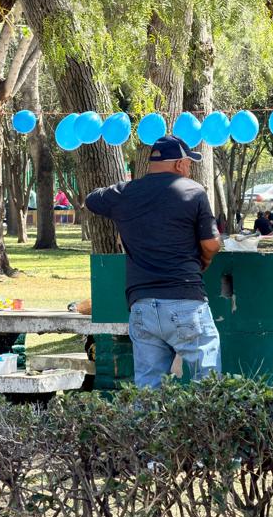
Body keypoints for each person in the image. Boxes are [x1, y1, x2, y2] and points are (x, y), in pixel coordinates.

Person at [85, 135, 221, 388]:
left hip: (142, 305)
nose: (189, 169)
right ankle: (209, 429)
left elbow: (92, 199)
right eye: (189, 164)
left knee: (148, 391)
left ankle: (147, 429)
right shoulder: (193, 191)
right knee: (209, 382)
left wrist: (128, 193)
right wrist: (204, 260)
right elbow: (212, 243)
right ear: (180, 164)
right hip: (186, 301)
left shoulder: (125, 193)